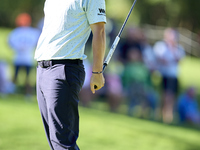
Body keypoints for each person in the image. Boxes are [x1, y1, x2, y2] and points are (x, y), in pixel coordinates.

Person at [34, 0, 106, 149]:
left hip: (64, 69)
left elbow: (99, 32)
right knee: (54, 141)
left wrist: (97, 72)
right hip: (42, 67)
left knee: (63, 142)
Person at [153, 28, 185, 124]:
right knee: (163, 96)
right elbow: (162, 59)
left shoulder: (179, 48)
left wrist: (172, 48)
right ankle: (159, 115)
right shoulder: (160, 46)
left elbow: (179, 59)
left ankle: (168, 117)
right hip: (163, 74)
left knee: (171, 97)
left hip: (173, 76)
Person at [8, 13, 40, 95]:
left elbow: (9, 42)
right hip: (22, 57)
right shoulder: (32, 32)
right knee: (18, 76)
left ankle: (25, 92)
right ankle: (13, 91)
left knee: (27, 77)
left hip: (25, 57)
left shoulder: (16, 32)